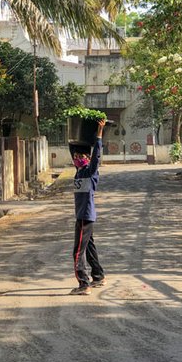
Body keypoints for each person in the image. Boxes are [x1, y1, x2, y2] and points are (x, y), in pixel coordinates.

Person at [71, 117, 107, 295]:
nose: (77, 159)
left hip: (85, 216)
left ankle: (83, 284)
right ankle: (98, 275)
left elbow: (97, 155)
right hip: (81, 216)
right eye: (76, 157)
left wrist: (99, 133)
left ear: (87, 158)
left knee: (78, 251)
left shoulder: (90, 172)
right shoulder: (77, 174)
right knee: (90, 247)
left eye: (81, 157)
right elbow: (73, 147)